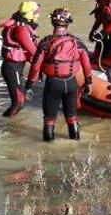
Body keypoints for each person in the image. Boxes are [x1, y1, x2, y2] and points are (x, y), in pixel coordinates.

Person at [27, 8, 93, 141]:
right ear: (68, 23)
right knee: (72, 117)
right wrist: (89, 82)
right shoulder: (77, 42)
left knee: (49, 120)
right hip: (71, 83)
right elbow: (86, 64)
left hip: (53, 84)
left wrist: (29, 84)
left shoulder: (46, 42)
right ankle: (75, 147)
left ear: (52, 22)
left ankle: (47, 153)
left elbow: (35, 66)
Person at [0, 1, 41, 117]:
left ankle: (8, 123)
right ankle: (5, 125)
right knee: (18, 102)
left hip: (14, 67)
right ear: (29, 15)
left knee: (20, 102)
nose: (38, 15)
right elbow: (34, 52)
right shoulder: (20, 30)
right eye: (36, 13)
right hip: (12, 68)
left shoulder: (22, 26)